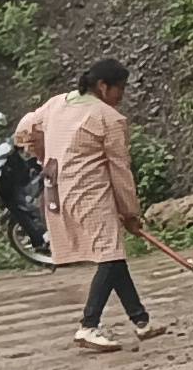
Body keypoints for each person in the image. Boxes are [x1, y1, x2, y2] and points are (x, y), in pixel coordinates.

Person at [18, 62, 158, 353]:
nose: (123, 95)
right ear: (104, 87)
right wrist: (131, 212)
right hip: (90, 194)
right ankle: (88, 325)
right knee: (109, 254)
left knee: (112, 255)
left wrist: (42, 154)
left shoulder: (57, 103)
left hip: (57, 189)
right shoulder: (109, 117)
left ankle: (141, 320)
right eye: (121, 88)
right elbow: (120, 170)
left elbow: (25, 128)